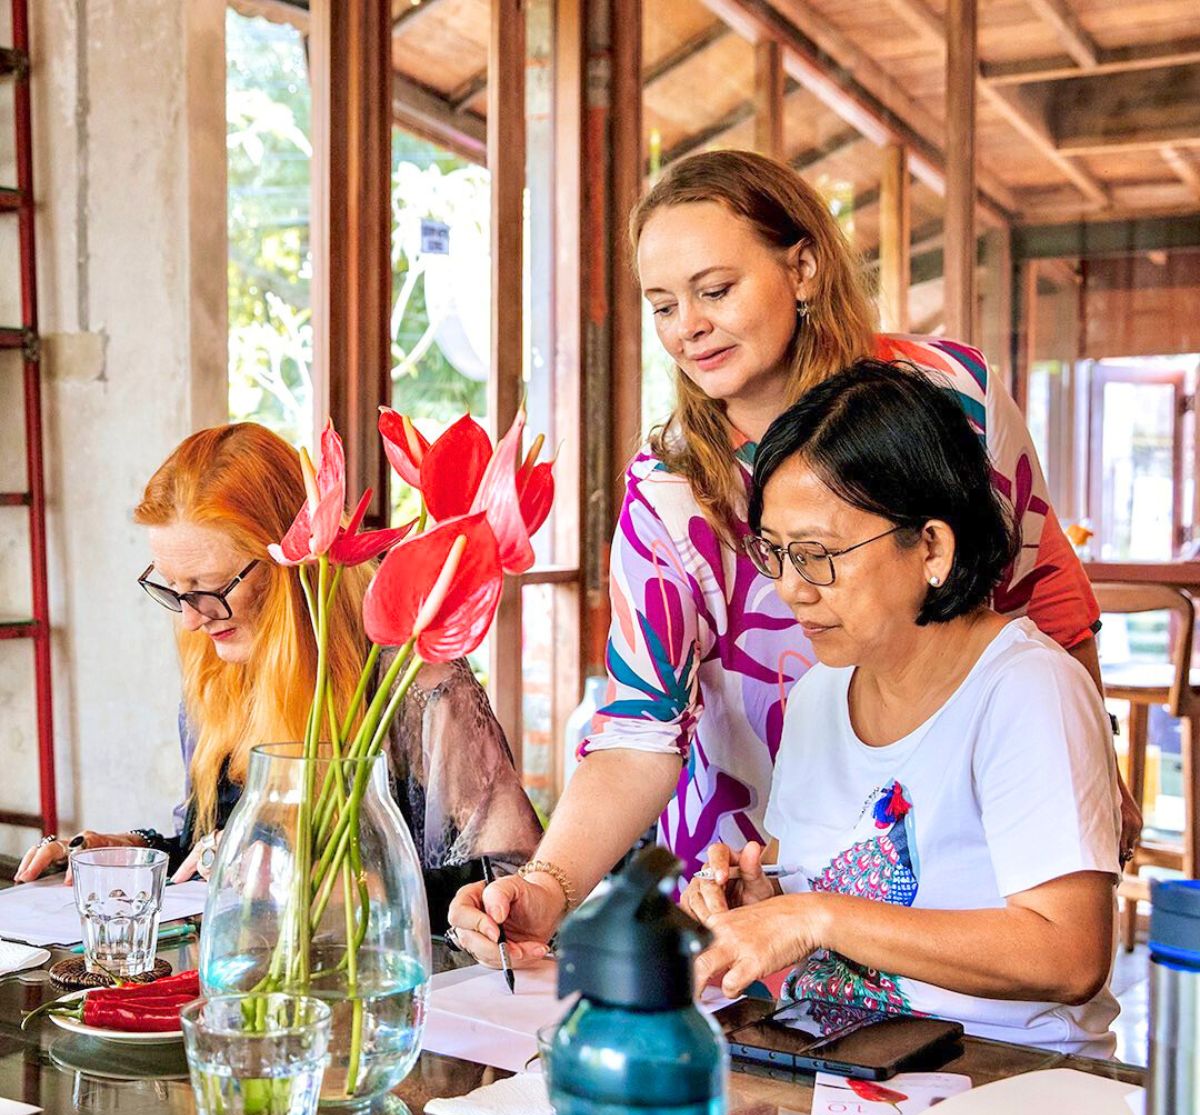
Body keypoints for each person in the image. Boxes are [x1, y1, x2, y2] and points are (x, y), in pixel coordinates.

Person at [448, 149, 1134, 970]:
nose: (687, 328)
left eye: (715, 290)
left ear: (802, 267)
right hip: (757, 876)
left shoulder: (949, 395)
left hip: (960, 862)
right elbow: (638, 730)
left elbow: (1042, 594)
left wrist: (1090, 780)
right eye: (662, 305)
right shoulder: (671, 488)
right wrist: (549, 886)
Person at [679, 359, 1121, 1055]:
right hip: (847, 1065)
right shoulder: (822, 695)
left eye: (819, 554)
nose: (792, 589)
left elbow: (1070, 955)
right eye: (777, 553)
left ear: (932, 548)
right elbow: (834, 925)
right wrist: (761, 913)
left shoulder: (1026, 690)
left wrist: (815, 916)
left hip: (1002, 1077)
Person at [15, 423, 541, 926]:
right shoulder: (219, 660)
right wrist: (133, 850)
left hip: (387, 981)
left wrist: (331, 883)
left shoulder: (408, 676)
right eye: (175, 590)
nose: (192, 619)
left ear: (290, 564)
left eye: (210, 588)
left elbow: (507, 882)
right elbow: (216, 848)